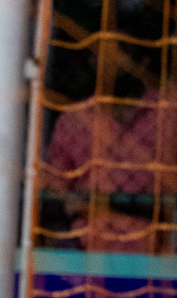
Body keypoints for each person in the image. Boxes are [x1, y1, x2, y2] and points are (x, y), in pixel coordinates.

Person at [42, 51, 177, 253]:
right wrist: (75, 202)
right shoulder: (75, 120)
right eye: (102, 56)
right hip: (85, 248)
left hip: (159, 248)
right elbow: (54, 186)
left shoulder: (168, 114)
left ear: (142, 59)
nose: (110, 66)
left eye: (119, 55)